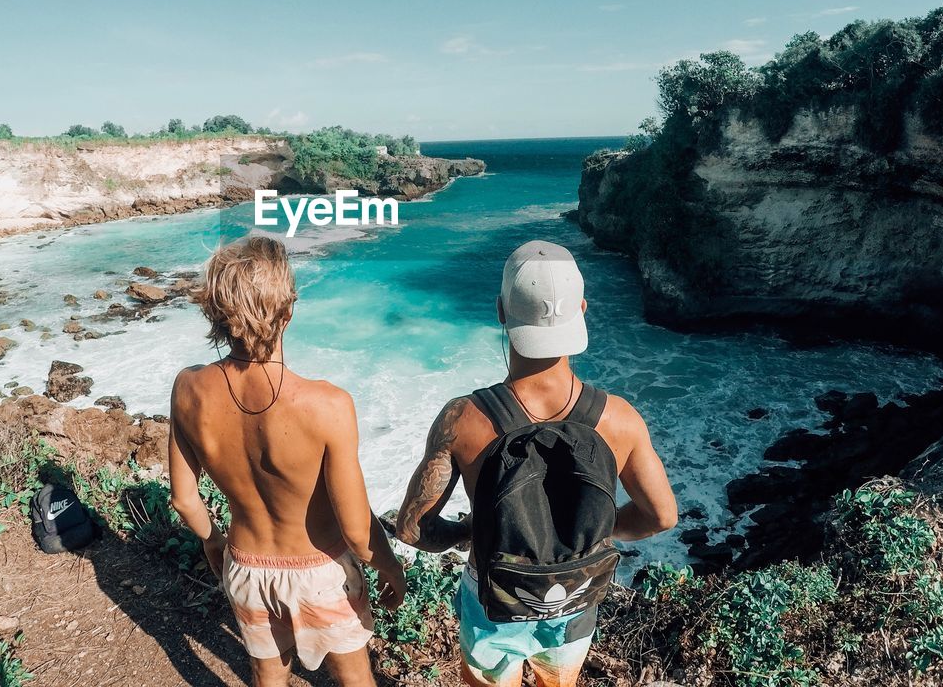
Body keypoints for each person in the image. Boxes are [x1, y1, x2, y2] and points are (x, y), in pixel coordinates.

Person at [395, 240, 677, 687]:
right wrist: (604, 530)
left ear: (501, 311)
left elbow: (413, 529)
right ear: (582, 309)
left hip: (493, 600)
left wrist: (468, 531)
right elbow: (661, 515)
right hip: (576, 600)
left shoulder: (463, 419)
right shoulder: (620, 419)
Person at [169, 235, 406, 687]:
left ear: (217, 313)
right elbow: (357, 532)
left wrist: (213, 542)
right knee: (355, 678)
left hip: (245, 565)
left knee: (267, 675)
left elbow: (184, 499)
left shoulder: (188, 388)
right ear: (288, 311)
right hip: (320, 570)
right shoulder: (327, 404)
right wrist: (390, 568)